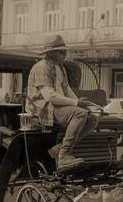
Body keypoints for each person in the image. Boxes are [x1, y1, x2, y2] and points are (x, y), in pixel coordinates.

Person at [25, 34, 98, 171]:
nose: (65, 53)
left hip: (56, 107)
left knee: (92, 119)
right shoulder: (42, 67)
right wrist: (76, 104)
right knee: (80, 114)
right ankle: (64, 156)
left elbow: (67, 89)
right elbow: (49, 97)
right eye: (61, 51)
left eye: (64, 50)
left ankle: (58, 149)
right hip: (43, 108)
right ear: (50, 53)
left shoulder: (60, 67)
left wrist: (78, 102)